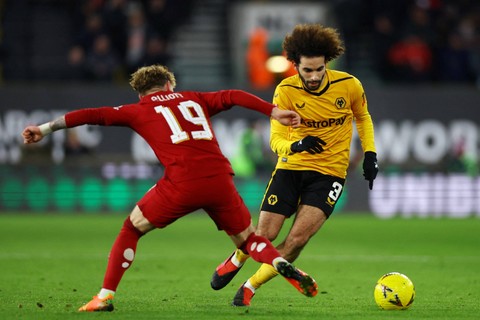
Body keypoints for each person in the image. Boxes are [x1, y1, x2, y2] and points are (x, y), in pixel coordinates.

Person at [21, 64, 318, 312]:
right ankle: (278, 261)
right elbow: (233, 95)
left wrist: (45, 129)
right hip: (219, 178)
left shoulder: (136, 110)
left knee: (131, 228)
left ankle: (104, 296)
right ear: (168, 84)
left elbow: (93, 115)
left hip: (182, 182)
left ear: (140, 92)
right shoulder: (193, 98)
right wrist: (273, 111)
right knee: (248, 240)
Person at [210, 24, 379, 306]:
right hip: (291, 168)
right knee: (265, 234)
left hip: (330, 174)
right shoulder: (286, 90)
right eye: (307, 70)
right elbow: (275, 139)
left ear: (327, 64)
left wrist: (370, 153)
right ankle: (238, 258)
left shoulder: (349, 85)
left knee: (297, 240)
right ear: (295, 65)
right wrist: (296, 145)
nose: (313, 77)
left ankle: (251, 286)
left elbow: (362, 117)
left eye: (319, 70)